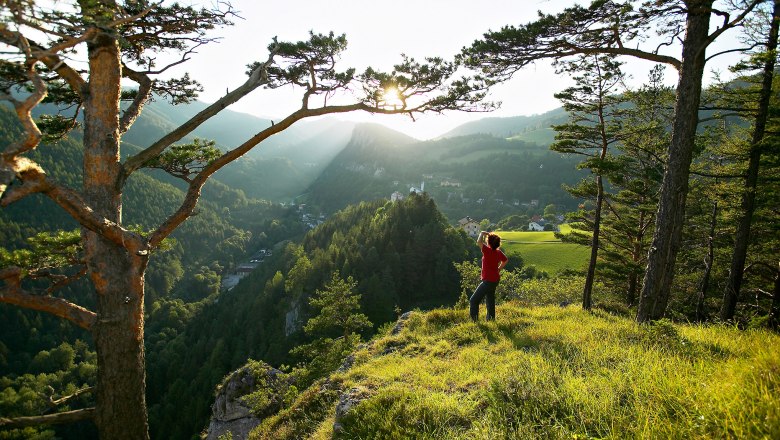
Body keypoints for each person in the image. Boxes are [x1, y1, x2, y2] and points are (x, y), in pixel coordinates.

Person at [470, 230, 508, 321]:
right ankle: (491, 319)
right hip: (495, 280)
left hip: (488, 281)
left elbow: (479, 241)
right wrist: (499, 269)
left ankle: (474, 321)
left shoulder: (487, 251)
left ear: (489, 242)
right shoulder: (498, 252)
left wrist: (482, 233)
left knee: (473, 300)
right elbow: (505, 260)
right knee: (490, 299)